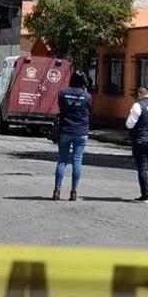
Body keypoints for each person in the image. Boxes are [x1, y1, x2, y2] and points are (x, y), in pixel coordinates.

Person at [53, 73, 92, 201]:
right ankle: (73, 191)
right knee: (77, 161)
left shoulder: (63, 93)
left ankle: (57, 190)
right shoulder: (87, 96)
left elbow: (61, 108)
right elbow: (89, 110)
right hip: (81, 131)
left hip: (65, 129)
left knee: (62, 160)